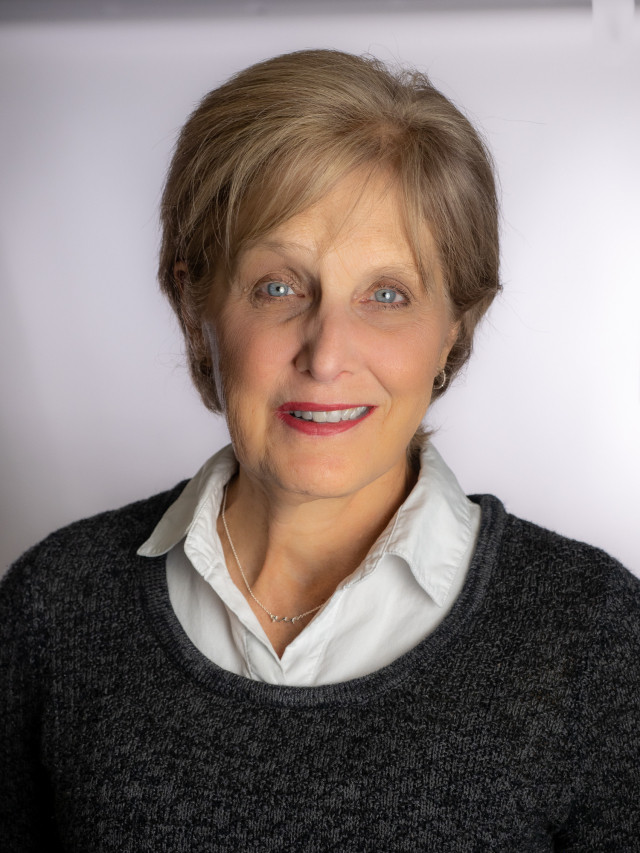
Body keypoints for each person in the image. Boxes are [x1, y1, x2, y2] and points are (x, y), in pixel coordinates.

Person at [1, 49, 638, 852]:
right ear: (194, 304)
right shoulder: (54, 607)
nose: (327, 353)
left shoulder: (591, 635)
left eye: (387, 294)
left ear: (454, 327)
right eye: (278, 286)